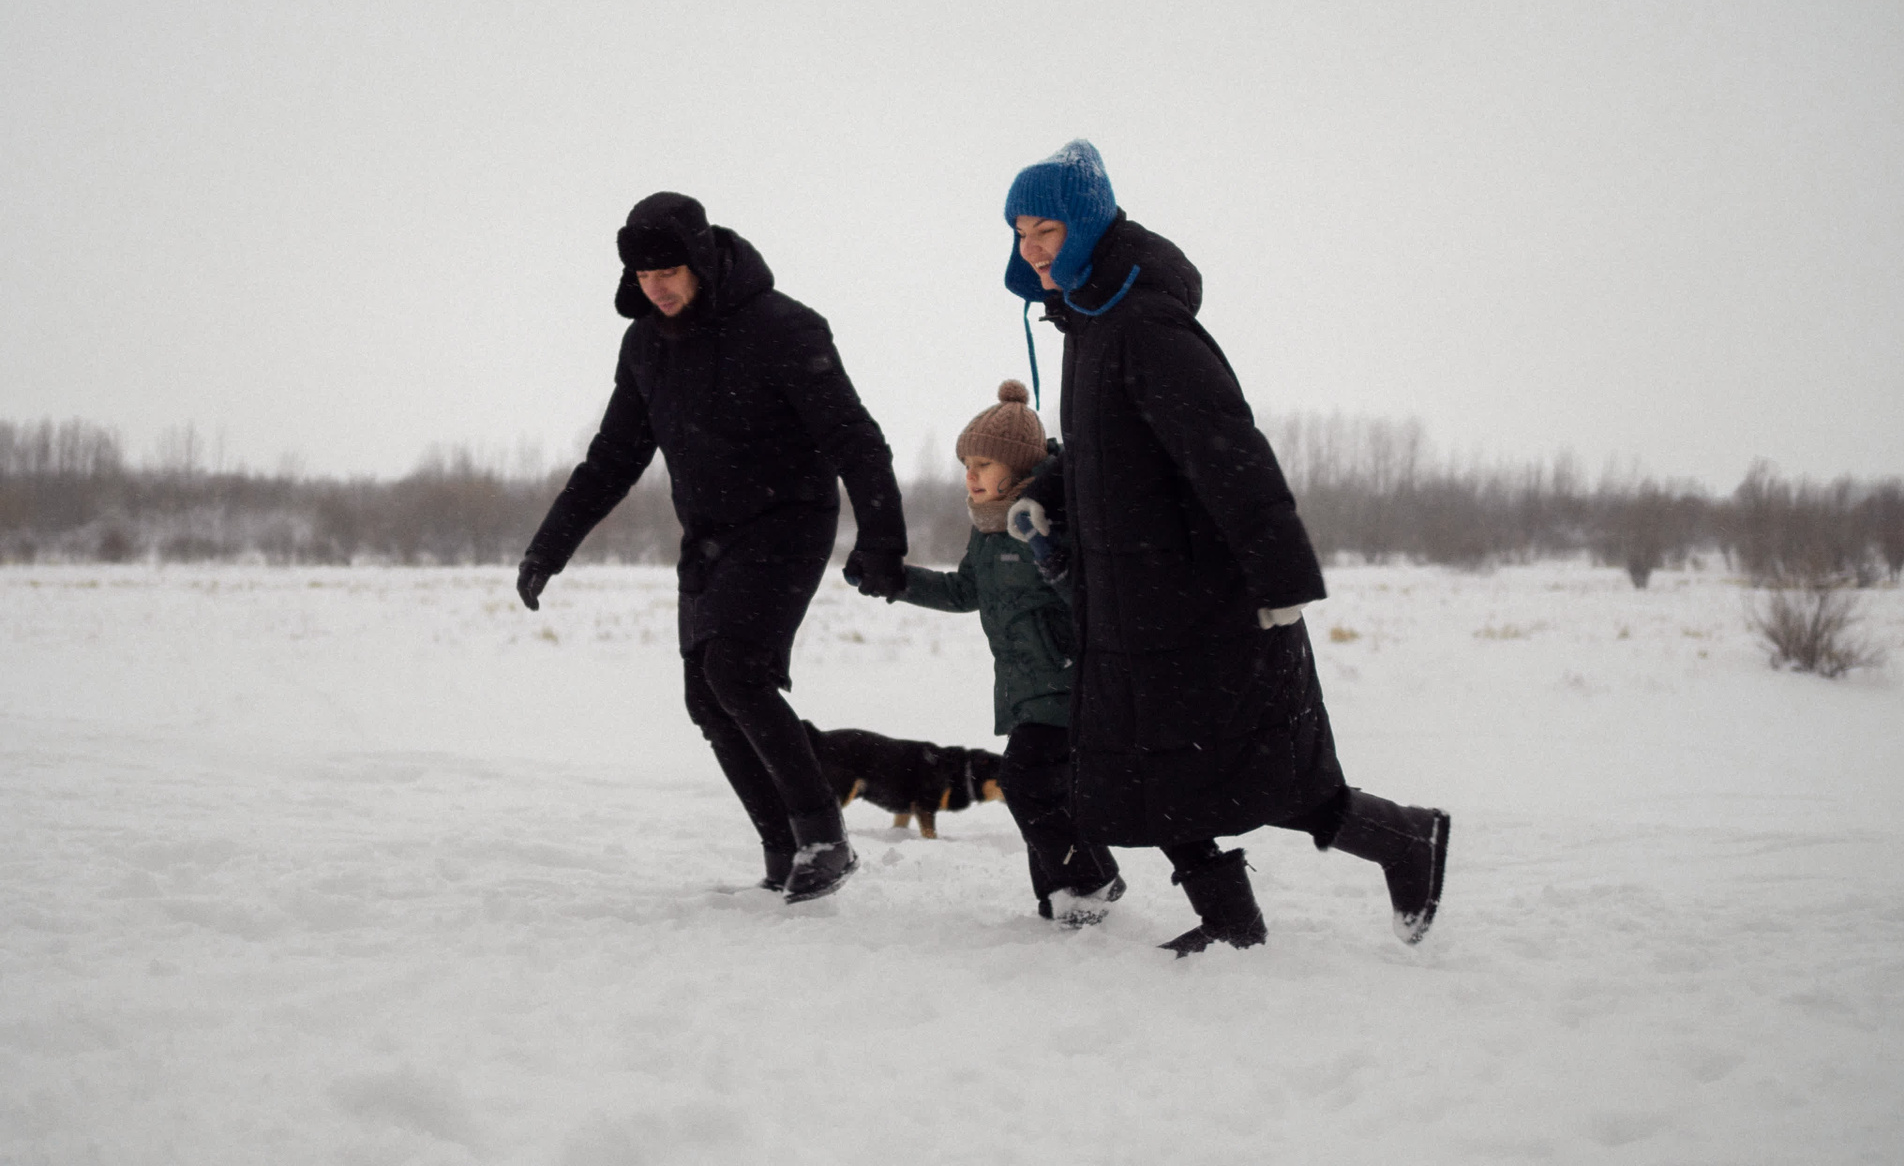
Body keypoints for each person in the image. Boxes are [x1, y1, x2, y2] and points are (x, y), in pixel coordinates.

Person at [998, 140, 1450, 957]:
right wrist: (1044, 496)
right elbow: (1106, 452)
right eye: (1021, 235)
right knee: (1152, 772)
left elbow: (1225, 449)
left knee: (1249, 769)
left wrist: (1279, 577)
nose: (1031, 252)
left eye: (1047, 233)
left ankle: (1403, 839)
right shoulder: (1088, 327)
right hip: (1128, 601)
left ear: (1089, 227)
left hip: (1197, 598)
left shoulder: (1146, 324)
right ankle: (1232, 918)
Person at [516, 192, 907, 903]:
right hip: (710, 536)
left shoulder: (785, 329)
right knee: (705, 696)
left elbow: (853, 436)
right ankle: (785, 848)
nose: (656, 287)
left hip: (790, 524)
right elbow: (610, 459)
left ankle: (825, 837)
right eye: (642, 276)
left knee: (736, 671)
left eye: (667, 270)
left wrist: (883, 537)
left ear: (698, 258)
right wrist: (550, 546)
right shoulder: (644, 347)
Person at [866, 379, 1125, 925]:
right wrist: (894, 581)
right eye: (966, 464)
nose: (971, 475)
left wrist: (1051, 556)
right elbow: (964, 592)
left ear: (1018, 467)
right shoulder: (986, 530)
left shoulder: (1052, 515)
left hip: (1067, 683)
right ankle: (1061, 901)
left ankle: (1092, 880)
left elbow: (1095, 599)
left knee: (1026, 784)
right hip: (1022, 690)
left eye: (983, 463)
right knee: (1042, 793)